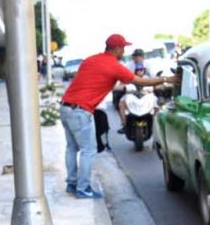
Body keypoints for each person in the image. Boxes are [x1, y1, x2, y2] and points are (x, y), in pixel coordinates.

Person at [59, 33, 177, 199]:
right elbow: (139, 82)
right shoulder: (113, 65)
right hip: (80, 110)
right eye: (123, 48)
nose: (124, 52)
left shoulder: (91, 60)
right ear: (117, 49)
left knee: (72, 148)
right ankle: (83, 188)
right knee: (89, 149)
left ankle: (72, 183)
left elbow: (93, 82)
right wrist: (166, 79)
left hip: (65, 107)